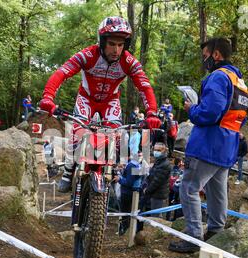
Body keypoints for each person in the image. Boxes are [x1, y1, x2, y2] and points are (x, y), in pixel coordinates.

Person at [39, 16, 161, 193]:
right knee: (78, 133)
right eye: (111, 44)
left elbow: (145, 86)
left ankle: (108, 172)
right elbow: (62, 73)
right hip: (86, 98)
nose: (116, 50)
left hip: (110, 101)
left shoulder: (129, 61)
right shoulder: (88, 55)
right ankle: (68, 170)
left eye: (120, 45)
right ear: (102, 42)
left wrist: (152, 113)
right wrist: (48, 97)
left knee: (115, 137)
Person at [169, 38, 248, 253]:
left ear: (215, 54)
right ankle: (215, 231)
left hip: (208, 144)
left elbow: (211, 111)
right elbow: (242, 117)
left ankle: (193, 236)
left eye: (205, 54)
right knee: (217, 190)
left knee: (189, 187)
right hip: (227, 145)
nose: (203, 59)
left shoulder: (217, 77)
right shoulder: (239, 82)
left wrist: (192, 109)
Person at [113, 152, 144, 235]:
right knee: (131, 212)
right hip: (135, 192)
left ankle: (124, 230)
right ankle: (129, 229)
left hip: (127, 193)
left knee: (125, 212)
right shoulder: (138, 164)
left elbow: (129, 182)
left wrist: (119, 179)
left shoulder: (131, 165)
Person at [144, 143, 172, 211]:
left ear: (164, 151)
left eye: (159, 150)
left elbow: (156, 181)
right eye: (155, 150)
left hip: (159, 196)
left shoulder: (164, 164)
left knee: (155, 217)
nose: (156, 152)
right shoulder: (159, 161)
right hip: (154, 194)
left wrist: (147, 190)